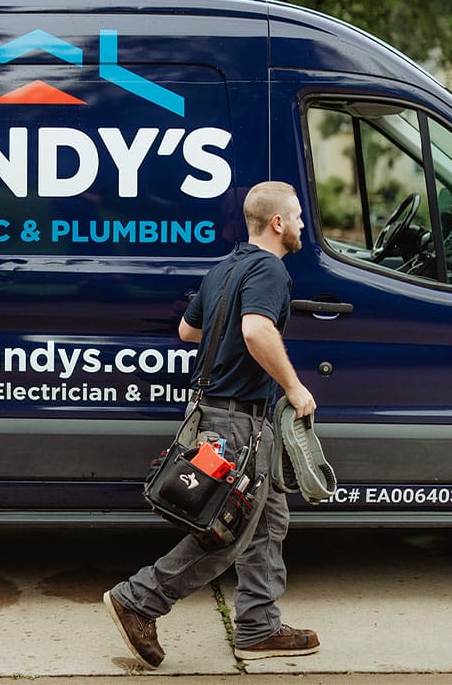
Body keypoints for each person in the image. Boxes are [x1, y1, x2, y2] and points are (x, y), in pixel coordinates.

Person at [103, 180, 319, 669]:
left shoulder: (225, 267)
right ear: (278, 223)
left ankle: (259, 626)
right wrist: (293, 387)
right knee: (226, 532)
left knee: (268, 522)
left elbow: (188, 330)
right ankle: (138, 600)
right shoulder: (270, 269)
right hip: (238, 423)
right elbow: (256, 329)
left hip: (216, 414)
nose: (303, 225)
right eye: (297, 216)